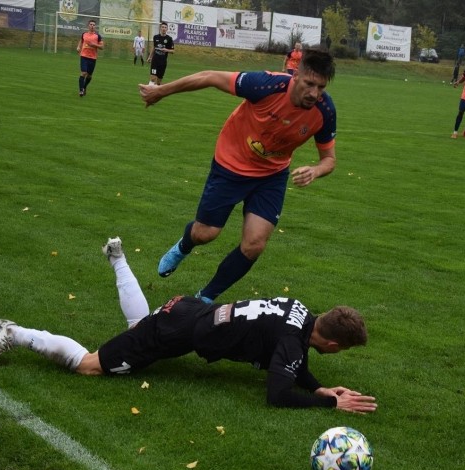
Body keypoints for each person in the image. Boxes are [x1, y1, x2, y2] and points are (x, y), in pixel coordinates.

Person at [0, 237, 377, 413]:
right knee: (91, 365)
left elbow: (291, 362)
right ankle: (11, 332)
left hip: (188, 311)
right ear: (334, 345)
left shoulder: (298, 311)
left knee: (142, 326)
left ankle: (117, 257)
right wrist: (328, 401)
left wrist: (317, 385)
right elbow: (277, 394)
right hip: (178, 330)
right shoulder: (294, 342)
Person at [138, 49, 337, 303]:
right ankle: (183, 246)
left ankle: (205, 298)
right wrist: (160, 91)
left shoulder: (325, 111)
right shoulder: (265, 85)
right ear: (295, 75)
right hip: (231, 164)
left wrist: (315, 170)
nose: (314, 93)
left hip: (272, 175)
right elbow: (210, 76)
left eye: (320, 87)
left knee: (254, 244)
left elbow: (329, 160)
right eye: (309, 84)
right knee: (206, 233)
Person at [76, 19, 104, 97]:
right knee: (83, 73)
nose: (92, 26)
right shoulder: (84, 34)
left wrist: (94, 45)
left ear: (95, 26)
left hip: (93, 58)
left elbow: (102, 47)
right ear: (88, 26)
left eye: (93, 25)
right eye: (91, 24)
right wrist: (78, 47)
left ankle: (84, 87)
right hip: (84, 56)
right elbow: (81, 41)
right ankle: (81, 90)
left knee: (89, 76)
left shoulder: (98, 36)